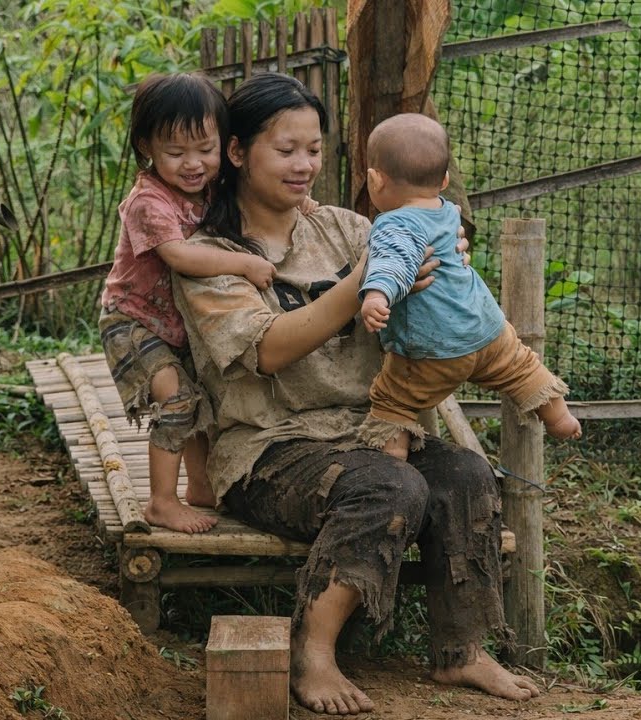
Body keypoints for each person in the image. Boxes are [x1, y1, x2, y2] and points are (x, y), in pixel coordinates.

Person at [173, 73, 540, 716]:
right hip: (268, 449)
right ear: (237, 153)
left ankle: (462, 652)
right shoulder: (211, 257)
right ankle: (310, 657)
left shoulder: (346, 229)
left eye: (314, 150)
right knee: (390, 486)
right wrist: (363, 284)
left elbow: (429, 263)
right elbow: (266, 351)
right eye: (286, 150)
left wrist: (450, 249)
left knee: (464, 473)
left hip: (365, 430)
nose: (304, 165)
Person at [99, 72, 276, 534]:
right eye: (175, 153)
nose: (193, 164)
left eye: (205, 150)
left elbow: (257, 195)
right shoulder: (148, 202)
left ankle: (199, 486)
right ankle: (161, 501)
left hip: (178, 324)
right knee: (176, 398)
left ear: (225, 145)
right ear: (147, 149)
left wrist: (307, 206)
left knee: (203, 399)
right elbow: (178, 256)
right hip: (132, 320)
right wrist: (242, 265)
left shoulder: (214, 189)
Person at [356, 113, 582, 460]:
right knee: (523, 366)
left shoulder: (394, 223)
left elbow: (392, 262)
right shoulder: (448, 212)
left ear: (374, 180)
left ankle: (393, 465)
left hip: (433, 350)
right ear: (445, 179)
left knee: (392, 401)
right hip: (488, 332)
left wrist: (376, 294)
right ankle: (561, 418)